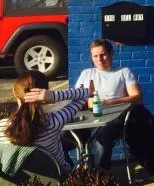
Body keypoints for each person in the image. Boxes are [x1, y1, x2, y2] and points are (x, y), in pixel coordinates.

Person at [0, 71, 92, 174]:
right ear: (45, 93)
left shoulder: (2, 127)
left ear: (15, 92)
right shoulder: (54, 121)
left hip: (17, 185)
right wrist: (53, 96)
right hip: (58, 181)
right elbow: (85, 93)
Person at [74, 39, 142, 169]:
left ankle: (98, 179)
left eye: (103, 54)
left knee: (101, 139)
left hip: (113, 119)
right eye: (95, 56)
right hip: (88, 119)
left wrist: (109, 102)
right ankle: (74, 177)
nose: (99, 59)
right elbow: (76, 97)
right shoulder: (86, 73)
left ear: (111, 54)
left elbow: (137, 97)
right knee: (60, 136)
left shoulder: (123, 72)